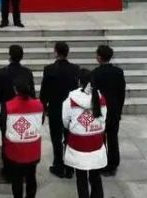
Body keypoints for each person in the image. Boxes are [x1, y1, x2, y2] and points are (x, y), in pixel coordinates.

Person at [63, 69, 107, 198]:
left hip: (78, 144)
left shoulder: (70, 99)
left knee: (81, 179)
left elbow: (65, 121)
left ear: (79, 82)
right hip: (96, 143)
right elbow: (103, 119)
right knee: (96, 176)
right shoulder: (100, 97)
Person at [41, 41, 81, 179]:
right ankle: (70, 167)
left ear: (56, 52)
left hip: (55, 108)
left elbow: (44, 91)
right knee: (69, 137)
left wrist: (43, 106)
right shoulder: (75, 69)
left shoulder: (49, 69)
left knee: (56, 138)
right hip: (70, 108)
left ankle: (58, 165)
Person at [0, 75, 43, 198]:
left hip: (15, 150)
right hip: (33, 149)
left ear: (15, 89)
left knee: (17, 179)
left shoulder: (8, 106)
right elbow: (40, 121)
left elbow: (3, 125)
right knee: (31, 177)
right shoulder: (39, 105)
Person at [91, 45, 126, 177]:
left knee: (101, 137)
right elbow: (121, 93)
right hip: (114, 109)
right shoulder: (118, 72)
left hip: (101, 110)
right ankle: (113, 164)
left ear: (100, 57)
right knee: (113, 137)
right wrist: (119, 110)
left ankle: (102, 162)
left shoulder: (95, 73)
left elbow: (94, 95)